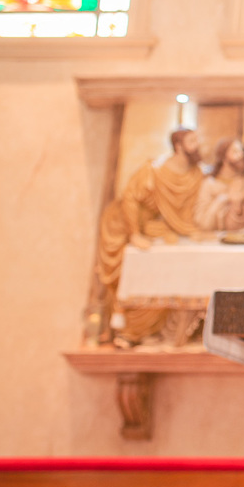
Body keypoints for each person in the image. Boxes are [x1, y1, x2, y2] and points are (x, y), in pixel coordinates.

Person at [95, 127, 206, 344]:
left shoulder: (195, 174)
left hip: (152, 227)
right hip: (123, 225)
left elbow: (182, 213)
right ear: (179, 145)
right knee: (135, 274)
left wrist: (180, 229)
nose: (197, 144)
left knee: (167, 273)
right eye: (192, 140)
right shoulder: (154, 170)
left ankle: (148, 331)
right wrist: (135, 233)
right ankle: (128, 332)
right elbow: (130, 199)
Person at [194, 137, 244, 232]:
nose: (241, 156)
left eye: (241, 152)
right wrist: (222, 199)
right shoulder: (209, 184)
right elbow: (203, 223)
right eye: (235, 152)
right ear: (223, 156)